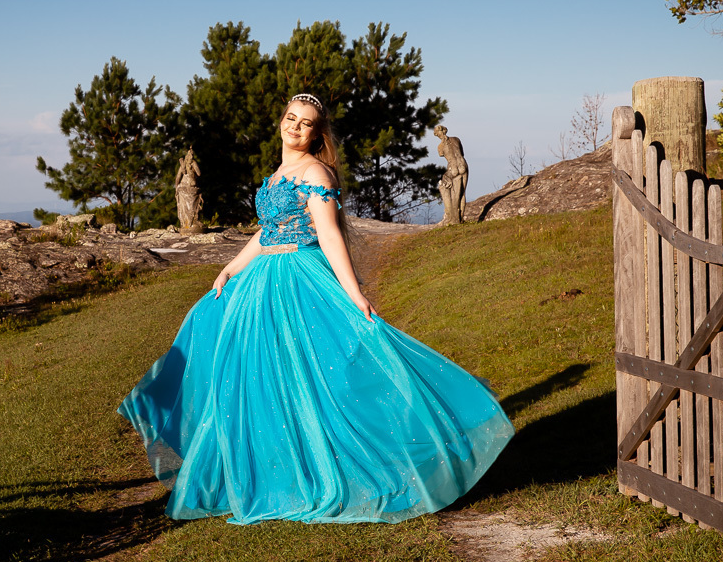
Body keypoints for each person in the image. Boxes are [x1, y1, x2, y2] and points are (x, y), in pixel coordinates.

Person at [117, 93, 513, 524]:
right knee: (258, 370)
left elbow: (329, 234)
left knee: (322, 371)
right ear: (281, 122)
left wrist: (353, 292)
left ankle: (376, 455)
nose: (295, 127)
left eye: (305, 123)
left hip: (298, 277)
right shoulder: (278, 174)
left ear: (316, 133)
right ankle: (279, 469)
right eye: (291, 118)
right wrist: (230, 268)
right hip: (262, 279)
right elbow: (267, 232)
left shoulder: (316, 172)